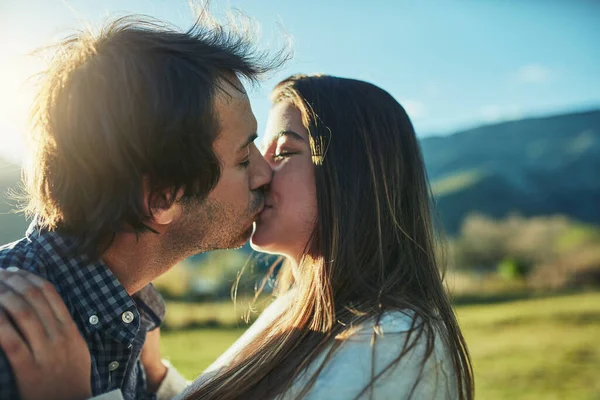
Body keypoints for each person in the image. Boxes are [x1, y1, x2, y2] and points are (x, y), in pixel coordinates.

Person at [2, 74, 474, 399]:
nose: (263, 172)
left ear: (356, 177)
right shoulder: (304, 312)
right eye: (249, 156)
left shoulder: (388, 345)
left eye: (284, 151)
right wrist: (158, 378)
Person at [0, 13, 285, 400]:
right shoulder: (13, 339)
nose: (265, 172)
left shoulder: (125, 313)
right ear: (163, 198)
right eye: (242, 159)